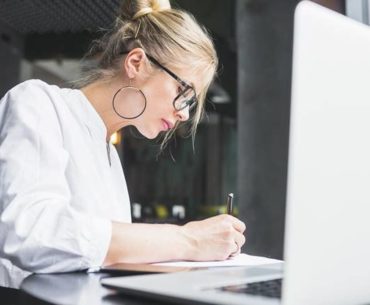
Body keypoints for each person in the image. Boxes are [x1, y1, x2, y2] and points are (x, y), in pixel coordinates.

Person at [0, 0, 246, 273]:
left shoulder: (110, 159)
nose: (184, 115)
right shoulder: (38, 103)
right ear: (136, 62)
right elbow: (32, 232)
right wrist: (188, 240)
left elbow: (104, 259)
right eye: (183, 92)